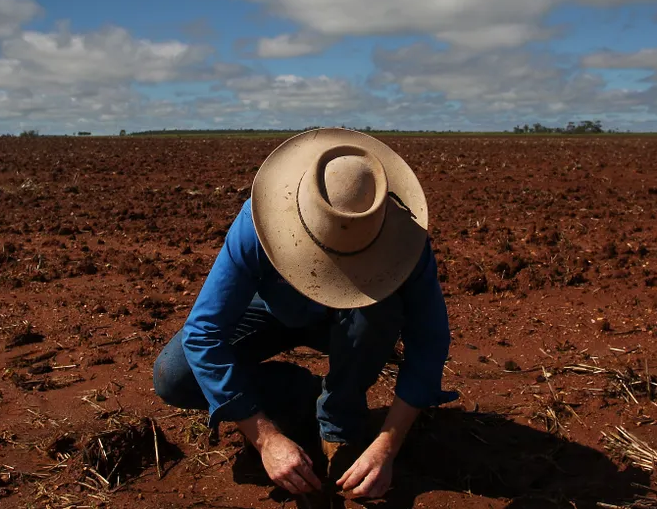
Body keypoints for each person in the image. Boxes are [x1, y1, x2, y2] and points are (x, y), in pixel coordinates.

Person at [152, 127, 456, 500]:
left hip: (357, 316)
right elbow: (204, 333)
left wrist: (386, 446)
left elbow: (430, 341)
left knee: (383, 308)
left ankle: (340, 419)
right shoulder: (258, 222)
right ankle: (298, 394)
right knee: (175, 375)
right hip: (273, 308)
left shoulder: (405, 240)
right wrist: (265, 438)